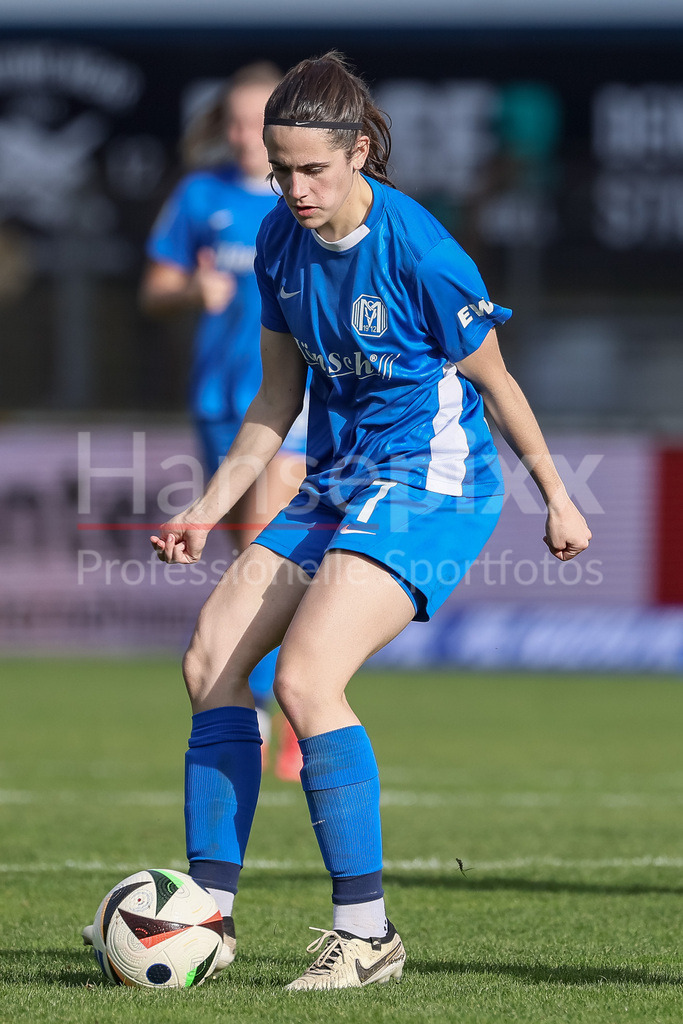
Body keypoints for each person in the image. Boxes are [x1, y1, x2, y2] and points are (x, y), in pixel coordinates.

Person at [149, 51, 592, 991]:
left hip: (431, 481)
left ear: (358, 152)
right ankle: (209, 916)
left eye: (312, 168)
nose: (295, 189)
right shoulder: (277, 240)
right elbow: (276, 399)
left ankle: (366, 936)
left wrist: (554, 495)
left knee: (307, 680)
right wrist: (205, 508)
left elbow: (497, 383)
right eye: (280, 169)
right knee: (210, 657)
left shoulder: (421, 251)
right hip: (339, 476)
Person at [140, 62, 305, 780]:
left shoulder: (299, 195)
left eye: (256, 122)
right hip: (219, 402)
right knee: (249, 556)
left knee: (271, 547)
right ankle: (272, 701)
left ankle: (281, 707)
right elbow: (155, 290)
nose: (245, 136)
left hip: (289, 405)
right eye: (234, 122)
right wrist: (190, 290)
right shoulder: (199, 194)